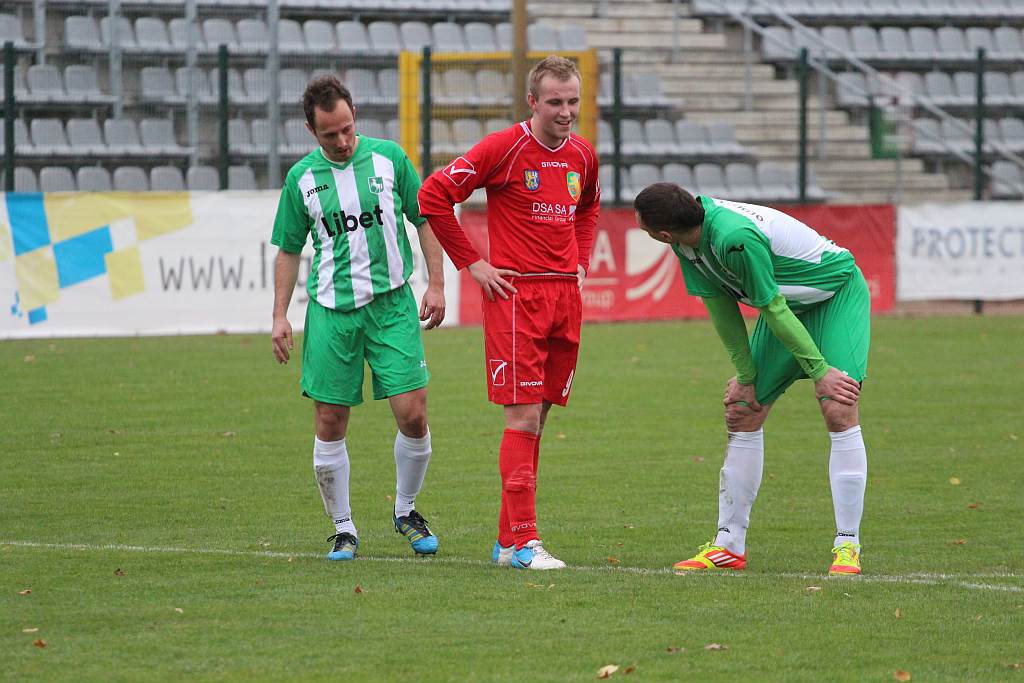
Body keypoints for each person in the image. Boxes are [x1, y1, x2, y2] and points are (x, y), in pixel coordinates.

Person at [417, 56, 601, 570]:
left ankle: (507, 540)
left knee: (537, 419)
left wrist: (581, 262)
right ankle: (523, 543)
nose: (566, 113)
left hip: (566, 298)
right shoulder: (504, 148)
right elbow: (432, 195)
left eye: (573, 102)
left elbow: (588, 207)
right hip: (517, 299)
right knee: (521, 416)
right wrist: (472, 264)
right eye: (555, 103)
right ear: (532, 101)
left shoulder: (583, 154)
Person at [633, 183, 869, 576]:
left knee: (838, 407)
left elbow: (771, 306)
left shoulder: (735, 237)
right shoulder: (686, 242)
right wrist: (745, 377)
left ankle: (847, 546)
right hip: (787, 310)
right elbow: (722, 307)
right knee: (743, 409)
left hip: (835, 296)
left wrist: (819, 371)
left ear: (663, 235)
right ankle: (729, 545)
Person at [271, 74, 446, 561]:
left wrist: (436, 282)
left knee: (413, 412)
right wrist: (280, 316)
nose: (344, 140)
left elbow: (426, 216)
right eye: (331, 134)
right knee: (329, 419)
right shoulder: (301, 180)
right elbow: (287, 249)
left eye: (349, 128)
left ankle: (406, 510)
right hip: (331, 312)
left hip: (392, 305)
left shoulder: (390, 158)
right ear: (312, 131)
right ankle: (344, 527)